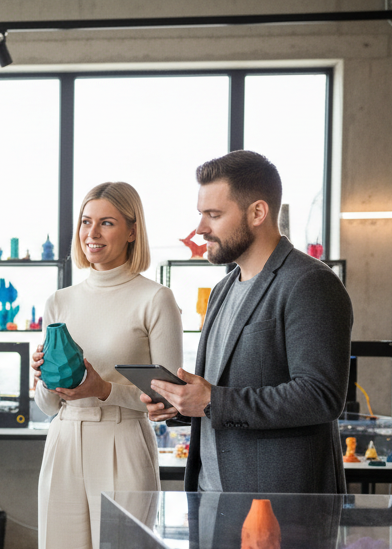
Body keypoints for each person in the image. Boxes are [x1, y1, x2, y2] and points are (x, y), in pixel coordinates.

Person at [144, 150, 353, 494]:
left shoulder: (311, 283)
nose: (200, 229)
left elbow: (320, 395)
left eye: (213, 215)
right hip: (213, 498)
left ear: (257, 212)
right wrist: (182, 404)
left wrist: (212, 401)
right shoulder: (222, 290)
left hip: (280, 503)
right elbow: (221, 390)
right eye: (201, 214)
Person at [31, 182, 183, 549]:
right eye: (86, 222)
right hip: (64, 439)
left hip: (124, 441)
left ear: (133, 230)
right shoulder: (59, 301)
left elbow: (169, 401)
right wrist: (45, 379)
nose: (92, 233)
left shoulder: (155, 299)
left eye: (107, 223)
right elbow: (47, 406)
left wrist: (104, 390)